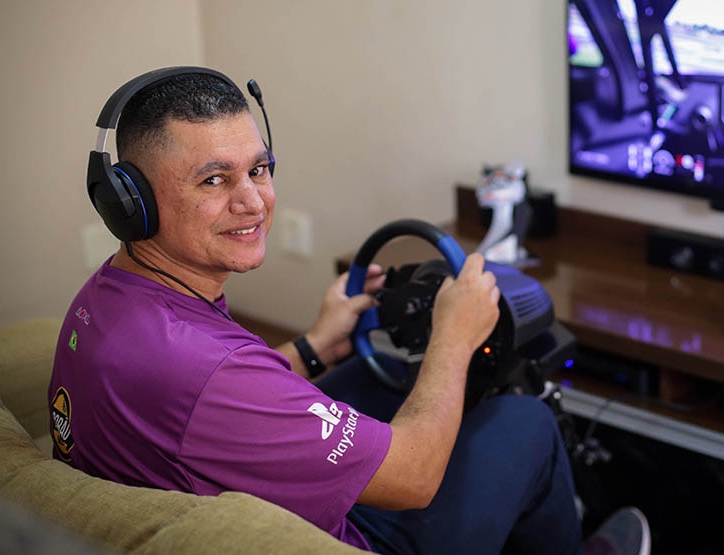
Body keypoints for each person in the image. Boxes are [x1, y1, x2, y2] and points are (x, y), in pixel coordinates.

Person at [49, 67, 650, 555]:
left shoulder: (107, 300)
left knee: (370, 374)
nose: (253, 201)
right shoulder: (205, 368)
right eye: (213, 180)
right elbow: (413, 479)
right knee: (526, 421)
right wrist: (453, 336)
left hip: (230, 502)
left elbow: (211, 408)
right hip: (345, 542)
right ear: (131, 202)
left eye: (258, 169)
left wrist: (315, 345)